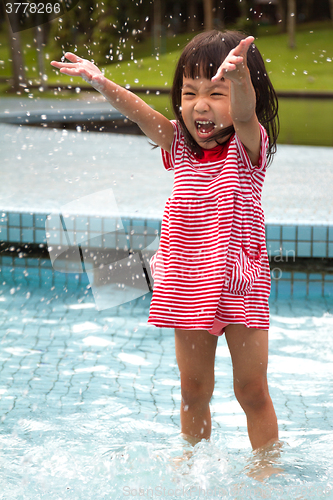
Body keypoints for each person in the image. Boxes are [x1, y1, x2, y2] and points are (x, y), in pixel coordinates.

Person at [51, 30, 279, 451]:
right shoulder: (178, 145)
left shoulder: (248, 150)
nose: (200, 106)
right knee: (193, 391)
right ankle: (191, 466)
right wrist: (101, 80)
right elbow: (140, 114)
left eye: (216, 92)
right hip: (185, 282)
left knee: (251, 391)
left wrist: (241, 77)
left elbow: (246, 115)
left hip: (238, 287)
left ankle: (266, 468)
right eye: (190, 93)